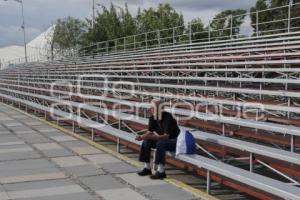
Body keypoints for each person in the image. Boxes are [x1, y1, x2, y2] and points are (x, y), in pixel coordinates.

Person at [136, 99, 180, 179]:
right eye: (151, 107)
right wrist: (142, 136)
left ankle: (161, 171)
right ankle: (147, 168)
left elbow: (166, 136)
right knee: (146, 141)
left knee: (161, 143)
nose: (151, 109)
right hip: (164, 140)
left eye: (153, 107)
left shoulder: (168, 117)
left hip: (176, 141)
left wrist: (151, 137)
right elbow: (149, 132)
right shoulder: (152, 117)